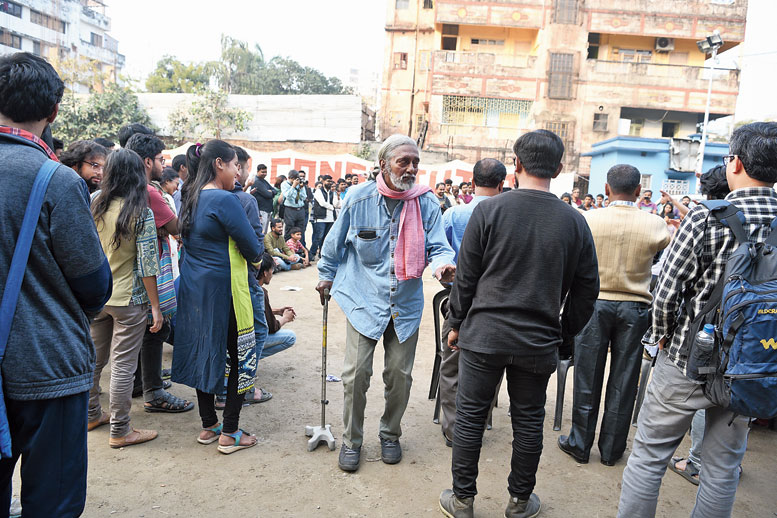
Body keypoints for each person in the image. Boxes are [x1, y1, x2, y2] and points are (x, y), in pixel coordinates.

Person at [617, 122, 777, 517]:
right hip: (750, 366)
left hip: (686, 359)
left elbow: (667, 291)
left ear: (735, 163)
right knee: (722, 469)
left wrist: (660, 338)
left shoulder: (707, 216)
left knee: (649, 457)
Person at [439, 129, 599, 518]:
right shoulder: (575, 221)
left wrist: (455, 322)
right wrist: (564, 335)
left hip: (484, 335)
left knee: (470, 418)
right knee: (528, 421)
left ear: (517, 165)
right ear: (559, 169)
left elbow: (466, 277)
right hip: (538, 341)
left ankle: (462, 501)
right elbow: (587, 290)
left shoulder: (488, 211)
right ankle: (519, 501)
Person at [0, 51, 112, 517]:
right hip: (47, 368)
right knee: (53, 501)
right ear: (53, 111)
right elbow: (93, 282)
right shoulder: (55, 181)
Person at [317, 134, 456, 473]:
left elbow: (439, 246)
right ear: (383, 164)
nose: (410, 168)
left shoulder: (426, 203)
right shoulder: (358, 198)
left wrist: (442, 264)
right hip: (363, 298)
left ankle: (390, 434)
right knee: (355, 375)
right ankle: (352, 441)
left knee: (400, 375)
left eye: (415, 163)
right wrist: (325, 275)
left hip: (405, 303)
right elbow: (334, 244)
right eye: (403, 161)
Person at [557, 164, 670, 468]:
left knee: (587, 376)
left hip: (594, 305)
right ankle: (611, 449)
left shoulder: (587, 219)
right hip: (636, 308)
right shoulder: (657, 224)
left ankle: (580, 444)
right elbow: (663, 262)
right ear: (638, 191)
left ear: (606, 189)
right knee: (625, 379)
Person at [172, 140, 263, 454]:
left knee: (205, 351)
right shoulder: (225, 200)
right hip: (226, 290)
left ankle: (209, 424)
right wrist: (258, 258)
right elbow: (254, 248)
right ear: (219, 164)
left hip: (194, 288)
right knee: (240, 356)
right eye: (236, 164)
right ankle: (231, 431)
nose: (238, 172)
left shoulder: (190, 196)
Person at [89, 148, 164, 449]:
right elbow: (147, 266)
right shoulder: (141, 212)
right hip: (128, 299)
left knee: (94, 360)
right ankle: (120, 430)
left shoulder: (95, 203)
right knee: (122, 366)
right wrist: (155, 307)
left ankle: (91, 414)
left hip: (97, 295)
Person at [438, 159, 506, 447]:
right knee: (491, 366)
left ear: (473, 182)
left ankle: (454, 430)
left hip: (457, 300)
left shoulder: (454, 214)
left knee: (452, 365)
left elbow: (440, 254)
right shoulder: (509, 214)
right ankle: (478, 425)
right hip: (497, 303)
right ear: (502, 184)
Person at [125, 133, 193, 413]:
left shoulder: (120, 188)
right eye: (160, 159)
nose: (163, 165)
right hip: (147, 273)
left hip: (123, 275)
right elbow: (177, 227)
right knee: (157, 326)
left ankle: (140, 382)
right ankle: (153, 393)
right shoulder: (150, 192)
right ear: (146, 161)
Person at [223, 145, 270, 405]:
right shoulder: (244, 200)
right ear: (237, 167)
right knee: (255, 332)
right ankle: (244, 387)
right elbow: (255, 244)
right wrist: (256, 266)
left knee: (225, 337)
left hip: (216, 281)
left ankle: (226, 388)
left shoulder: (202, 196)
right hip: (242, 280)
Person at [256, 253, 297, 359]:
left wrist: (277, 311)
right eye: (272, 270)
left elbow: (258, 311)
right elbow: (272, 327)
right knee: (291, 337)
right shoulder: (260, 292)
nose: (272, 274)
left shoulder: (246, 286)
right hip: (250, 339)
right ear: (265, 273)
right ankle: (252, 358)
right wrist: (285, 318)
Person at [310, 174, 340, 260]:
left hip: (330, 218)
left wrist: (337, 197)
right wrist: (332, 207)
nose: (329, 183)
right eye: (328, 181)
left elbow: (336, 204)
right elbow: (322, 203)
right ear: (323, 181)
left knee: (326, 237)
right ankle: (311, 254)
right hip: (321, 218)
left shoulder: (332, 192)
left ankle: (322, 254)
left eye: (331, 181)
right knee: (318, 237)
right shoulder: (318, 191)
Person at [281, 170, 308, 242]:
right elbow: (288, 196)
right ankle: (287, 246)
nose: (295, 181)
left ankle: (298, 246)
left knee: (300, 230)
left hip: (300, 209)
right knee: (289, 229)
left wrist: (301, 188)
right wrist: (293, 186)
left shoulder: (300, 184)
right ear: (289, 178)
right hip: (290, 209)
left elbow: (304, 197)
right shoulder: (284, 184)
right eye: (293, 179)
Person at [250, 163, 275, 234]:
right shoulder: (257, 182)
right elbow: (268, 195)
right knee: (261, 232)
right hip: (261, 210)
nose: (264, 174)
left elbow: (274, 190)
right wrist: (270, 192)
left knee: (264, 232)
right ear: (257, 171)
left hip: (266, 210)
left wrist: (271, 191)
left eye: (265, 172)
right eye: (262, 172)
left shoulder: (263, 181)